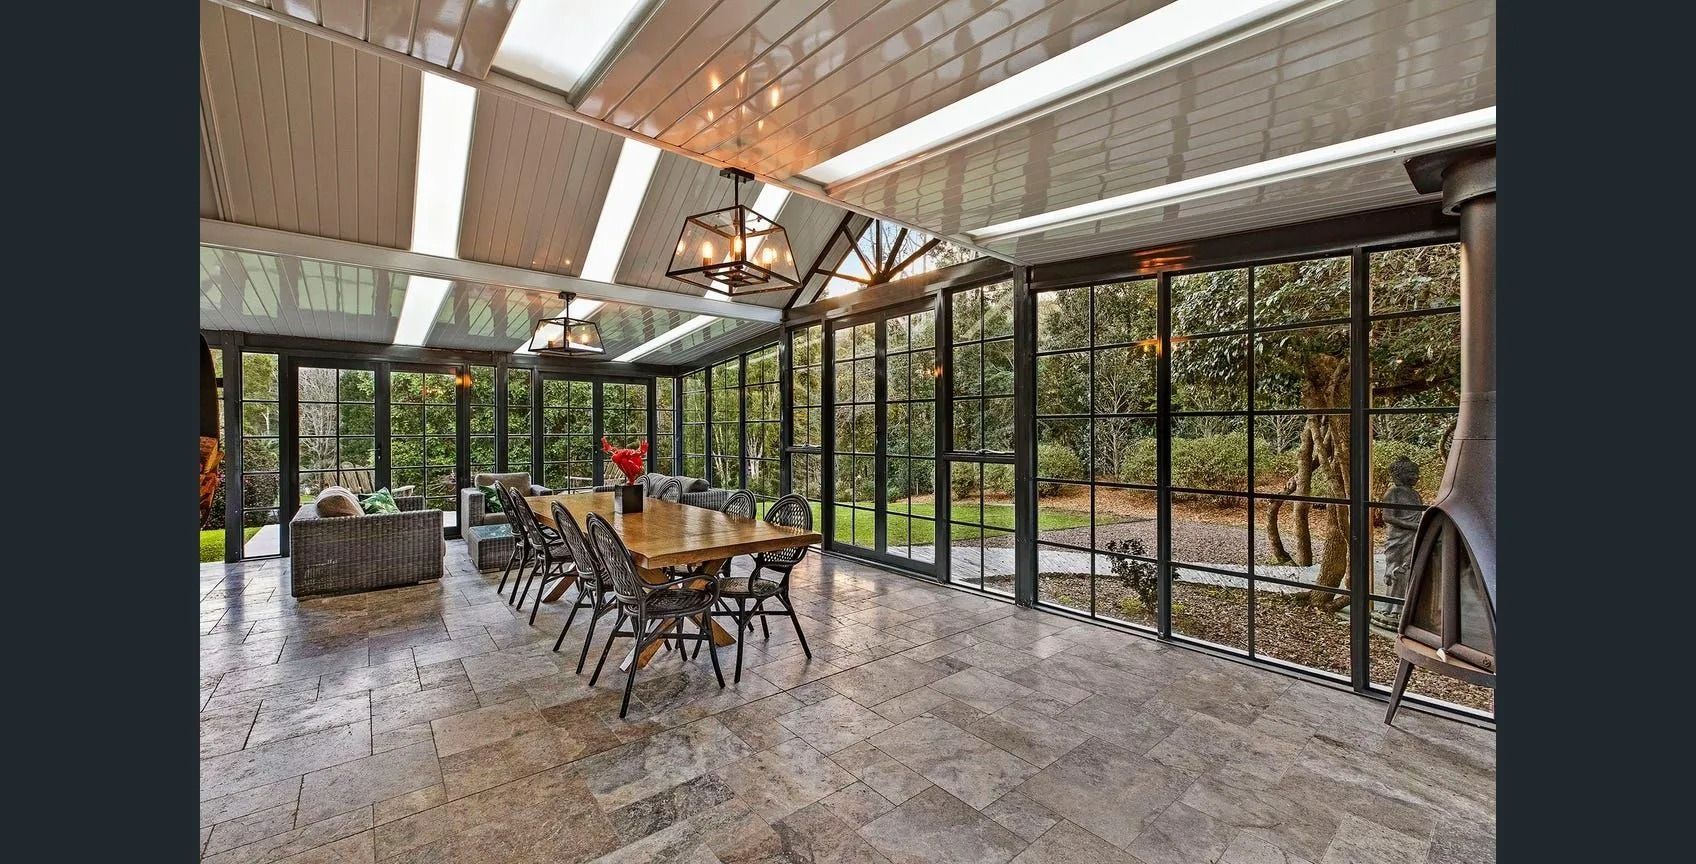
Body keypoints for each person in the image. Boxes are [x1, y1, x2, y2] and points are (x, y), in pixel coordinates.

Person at [1376, 457, 1424, 627]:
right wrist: (1413, 525)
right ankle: (1389, 608)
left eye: (1416, 473)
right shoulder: (1393, 493)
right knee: (1396, 573)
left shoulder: (1415, 494)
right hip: (1398, 539)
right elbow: (1388, 517)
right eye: (1411, 473)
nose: (1416, 477)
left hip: (1413, 537)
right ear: (1400, 474)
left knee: (1409, 571)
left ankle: (1403, 607)